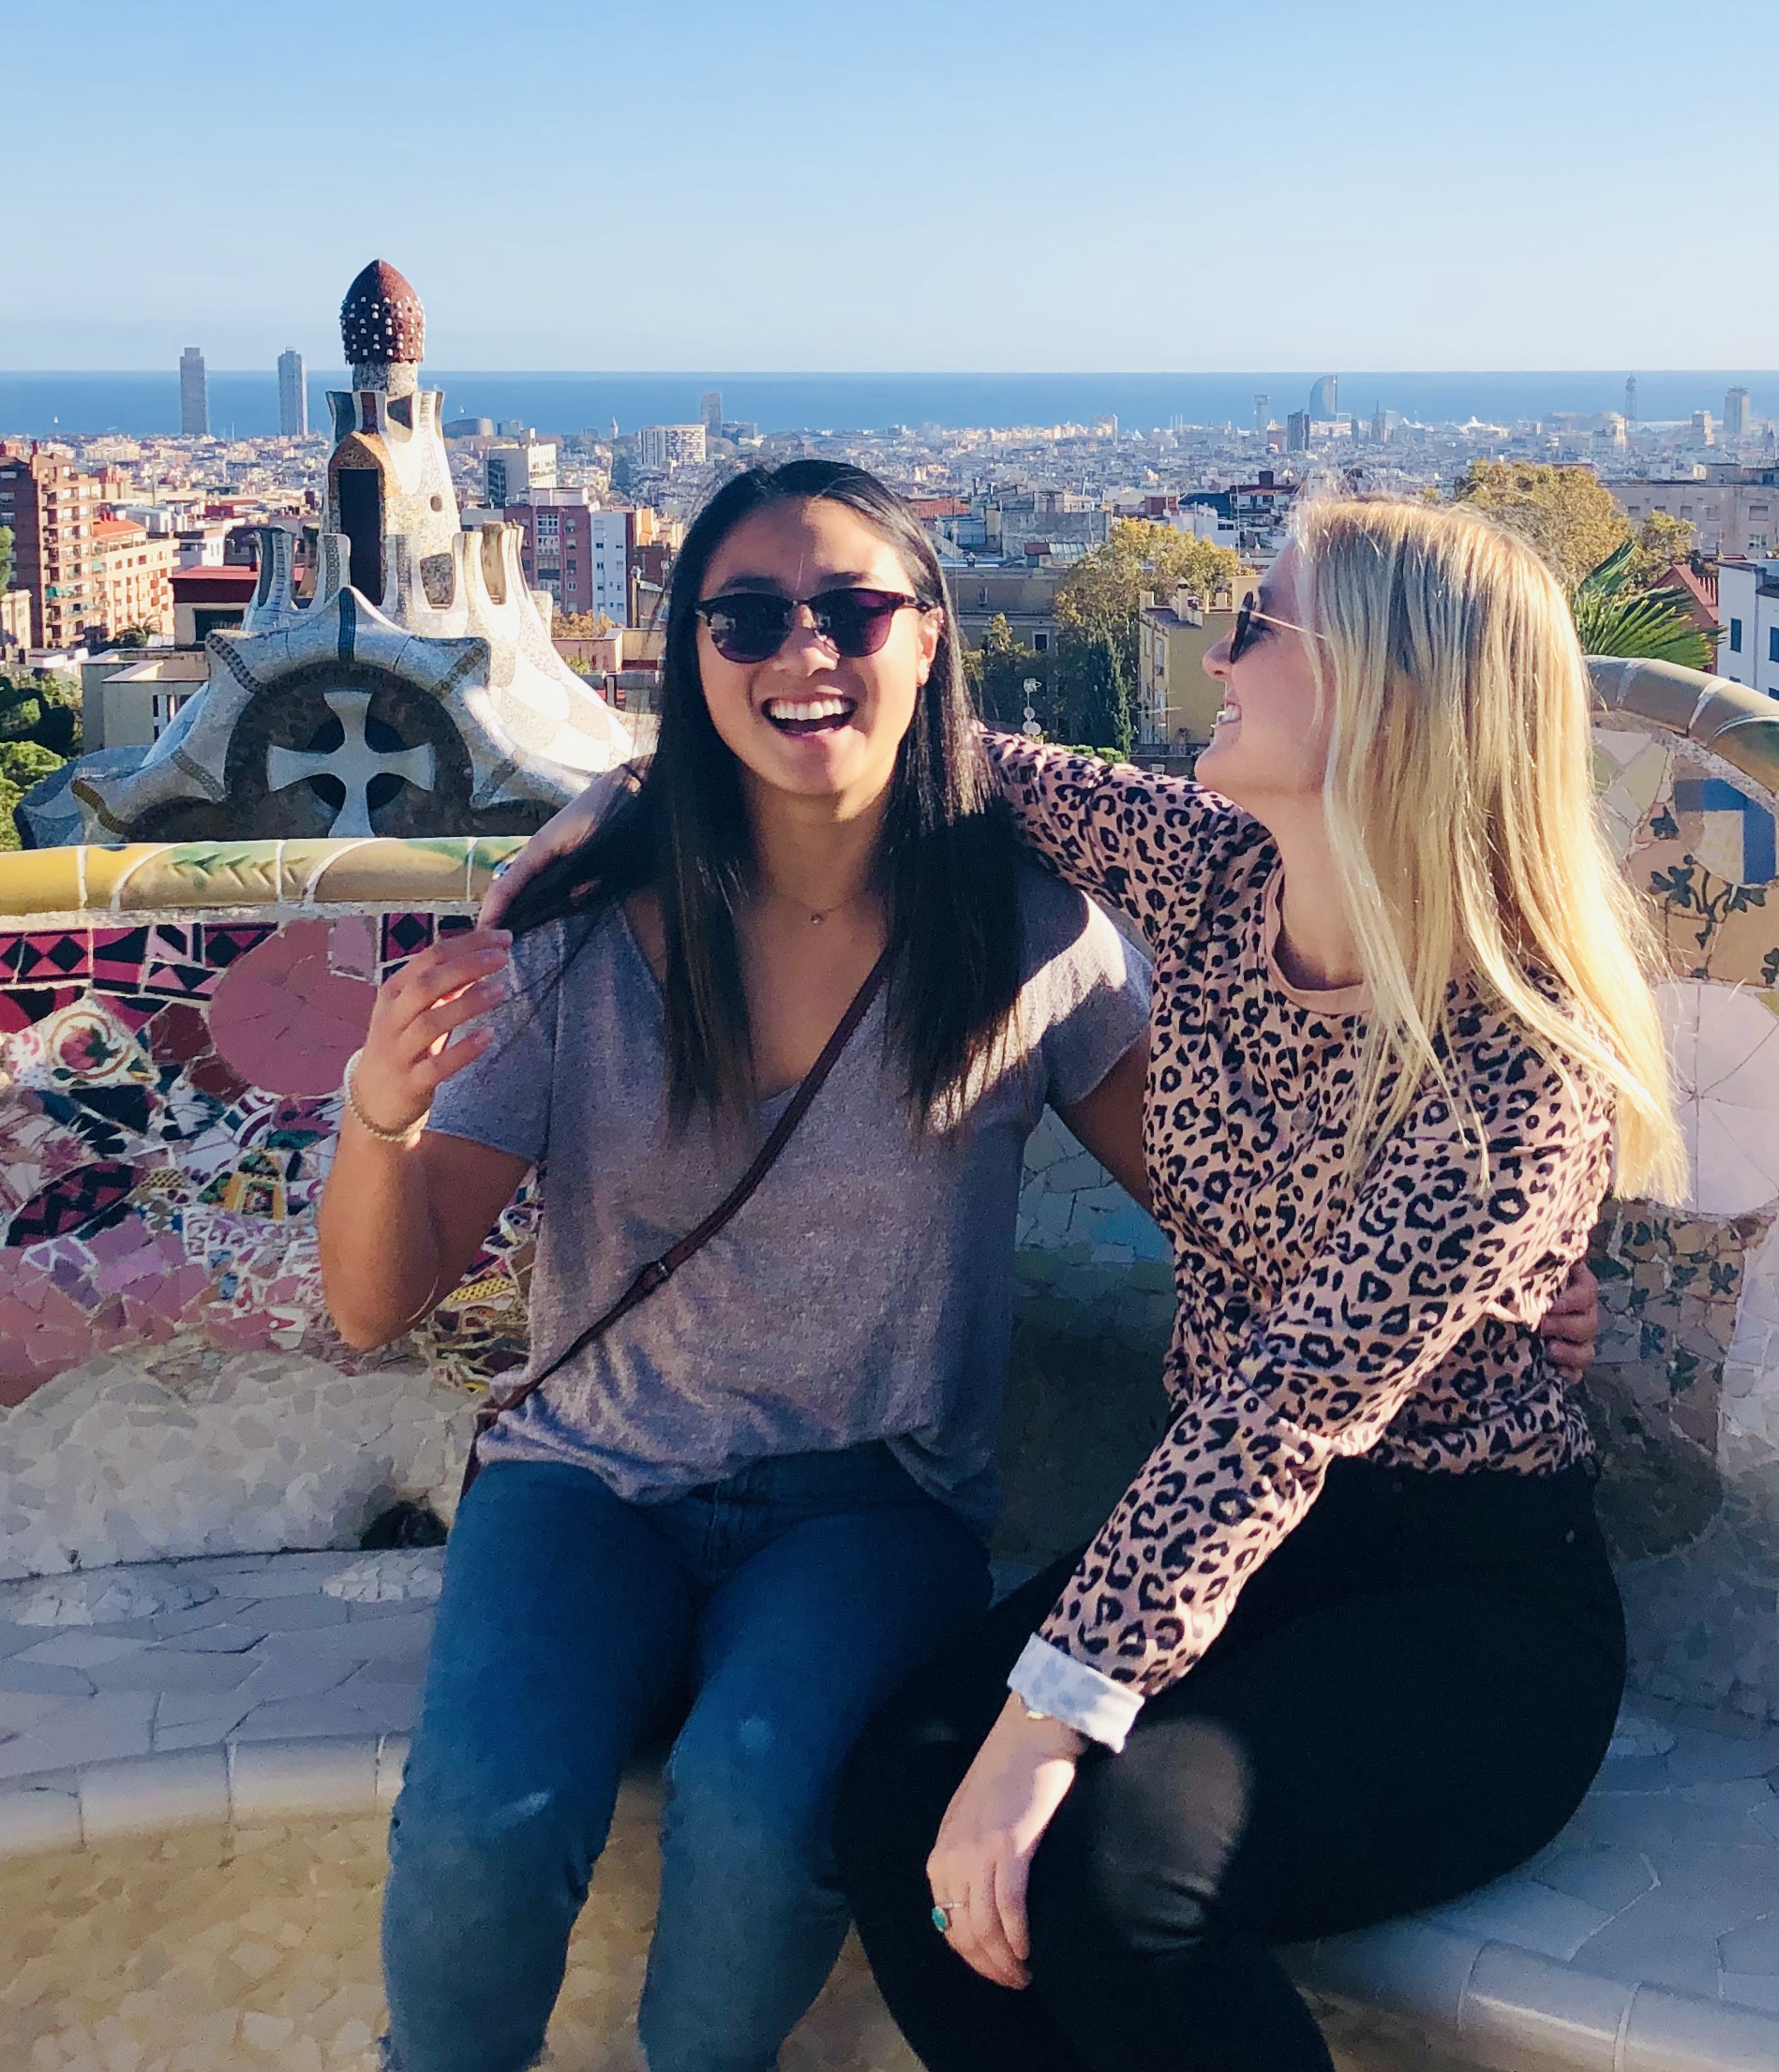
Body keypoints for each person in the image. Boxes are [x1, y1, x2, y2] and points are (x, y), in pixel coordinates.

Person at [830, 494, 1686, 2072]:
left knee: (1116, 1872)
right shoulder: (1223, 875)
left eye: (1253, 627)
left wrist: (1052, 1719)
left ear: (1387, 692)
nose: (1211, 651)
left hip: (1466, 1597)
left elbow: (1281, 1414)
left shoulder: (1520, 1067)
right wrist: (630, 797)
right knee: (899, 1790)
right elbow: (961, 766)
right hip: (1244, 1566)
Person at [321, 459, 1157, 2072]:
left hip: (869, 1502)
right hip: (585, 1482)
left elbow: (1227, 1194)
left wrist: (1494, 1272)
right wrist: (378, 1108)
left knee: (764, 1794)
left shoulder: (1026, 937)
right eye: (749, 615)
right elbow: (373, 1297)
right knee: (486, 1817)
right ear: (691, 656)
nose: (803, 652)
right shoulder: (576, 928)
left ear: (928, 640)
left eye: (850, 609)